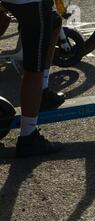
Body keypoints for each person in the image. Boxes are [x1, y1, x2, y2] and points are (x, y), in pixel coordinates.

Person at [1, 0, 65, 157]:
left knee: (54, 23)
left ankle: (42, 92)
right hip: (31, 3)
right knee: (34, 68)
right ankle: (28, 137)